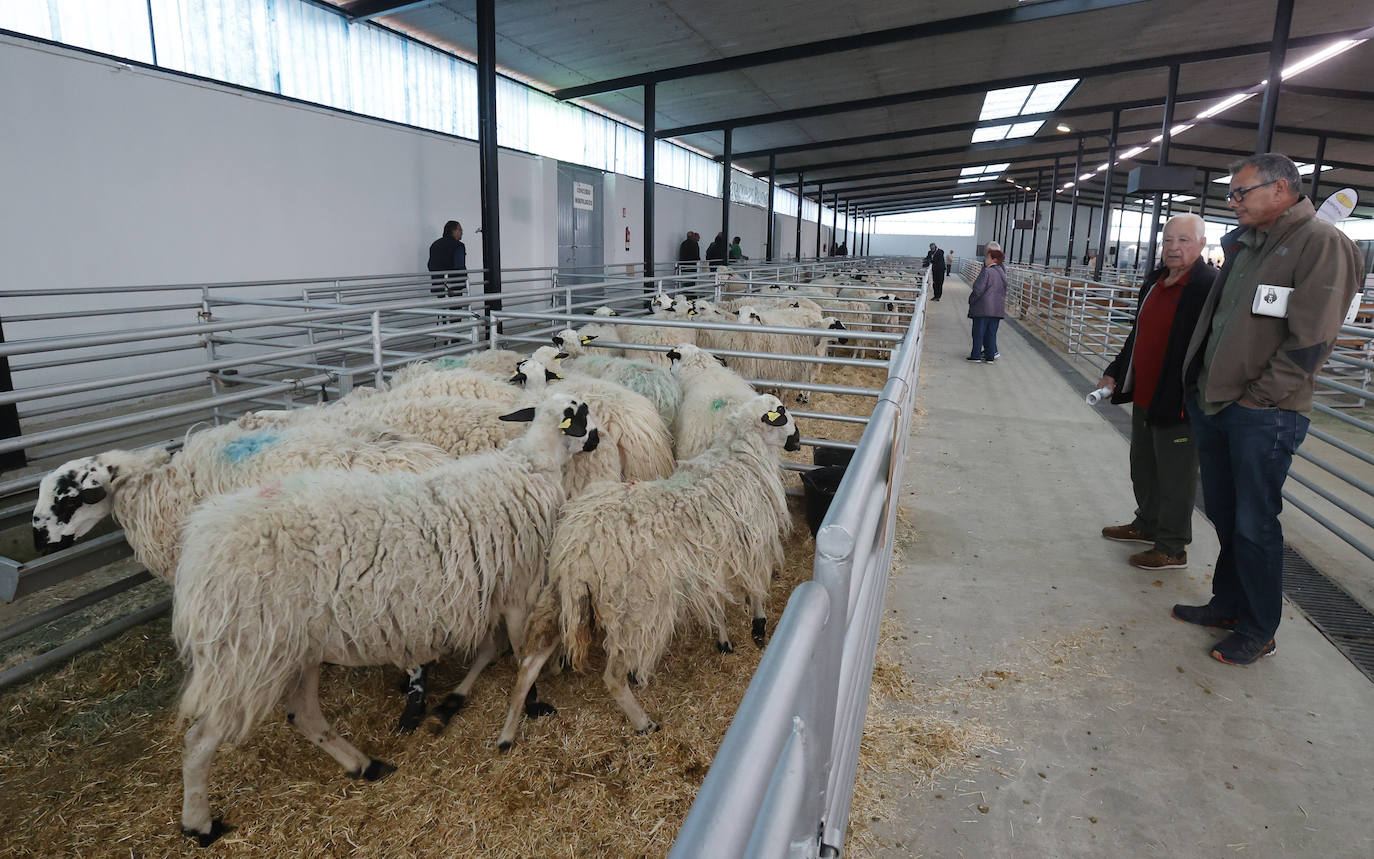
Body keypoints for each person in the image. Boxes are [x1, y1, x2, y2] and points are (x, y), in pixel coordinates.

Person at [1176, 153, 1364, 665]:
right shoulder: (1248, 244)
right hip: (1217, 402)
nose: (1232, 202)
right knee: (1225, 512)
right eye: (1232, 194)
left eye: (1241, 192)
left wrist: (1258, 397)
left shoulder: (1322, 244)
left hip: (1265, 411)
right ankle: (1228, 604)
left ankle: (1259, 628)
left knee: (1255, 521)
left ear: (1281, 189)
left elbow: (1312, 340)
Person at [1097, 214, 1217, 571]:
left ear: (1201, 245)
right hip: (1146, 395)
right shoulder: (1155, 280)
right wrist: (1115, 371)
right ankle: (1147, 523)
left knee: (1175, 476)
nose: (1174, 248)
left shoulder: (1208, 286)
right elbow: (1138, 335)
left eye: (1183, 241)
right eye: (1168, 241)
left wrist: (1196, 390)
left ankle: (1172, 546)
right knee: (1144, 467)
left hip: (1179, 400)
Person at [966, 248, 1006, 362]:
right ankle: (990, 357)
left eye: (988, 257)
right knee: (991, 333)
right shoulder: (1002, 272)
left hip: (983, 307)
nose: (985, 259)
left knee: (978, 332)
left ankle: (976, 356)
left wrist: (971, 300)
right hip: (997, 308)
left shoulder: (987, 271)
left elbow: (978, 289)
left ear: (994, 259)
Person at [427, 220, 467, 299]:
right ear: (453, 231)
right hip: (454, 285)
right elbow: (459, 266)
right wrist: (464, 280)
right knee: (456, 309)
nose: (462, 232)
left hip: (439, 284)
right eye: (460, 230)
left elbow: (430, 265)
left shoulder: (435, 244)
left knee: (443, 307)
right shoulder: (458, 245)